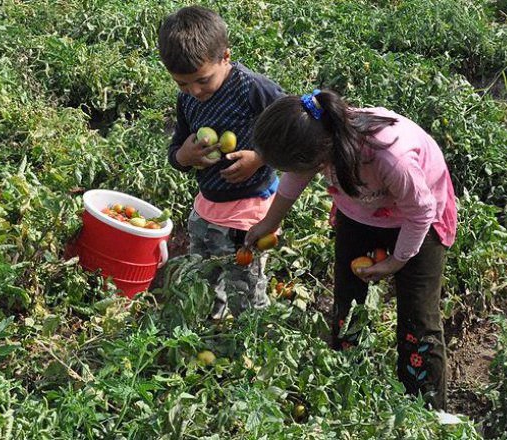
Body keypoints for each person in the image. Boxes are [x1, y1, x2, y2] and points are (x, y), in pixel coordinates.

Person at [245, 88, 457, 410]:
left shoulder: (388, 156)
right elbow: (293, 179)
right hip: (360, 213)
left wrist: (397, 261)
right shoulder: (318, 138)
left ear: (320, 156)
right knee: (347, 303)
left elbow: (421, 211)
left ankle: (426, 412)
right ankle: (346, 380)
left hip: (417, 222)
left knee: (418, 322)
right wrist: (269, 224)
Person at [158, 5, 285, 320]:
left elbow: (293, 130)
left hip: (248, 212)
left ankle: (249, 344)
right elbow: (177, 149)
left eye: (202, 80)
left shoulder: (252, 89)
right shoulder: (187, 98)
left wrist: (260, 157)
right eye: (182, 84)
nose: (194, 91)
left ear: (225, 57)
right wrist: (184, 157)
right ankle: (211, 326)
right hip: (207, 206)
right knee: (203, 275)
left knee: (244, 285)